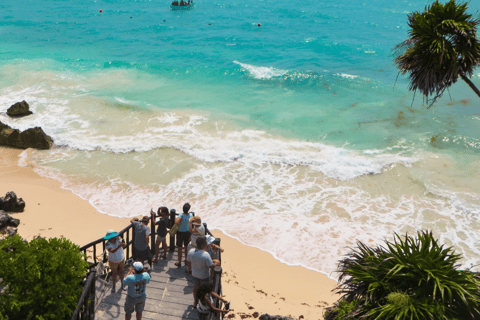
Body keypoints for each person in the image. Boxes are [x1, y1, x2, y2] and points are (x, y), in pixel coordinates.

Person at [188, 236, 219, 308]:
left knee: (195, 289)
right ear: (202, 245)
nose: (206, 244)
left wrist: (190, 269)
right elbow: (211, 266)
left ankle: (195, 302)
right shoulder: (206, 255)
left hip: (194, 274)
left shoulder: (191, 251)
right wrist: (216, 264)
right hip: (204, 276)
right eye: (205, 243)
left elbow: (188, 262)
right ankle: (204, 304)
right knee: (205, 291)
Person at [174, 203, 194, 268]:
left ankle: (179, 262)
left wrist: (177, 219)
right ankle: (186, 260)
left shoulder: (181, 214)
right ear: (188, 209)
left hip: (180, 233)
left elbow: (176, 222)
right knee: (186, 247)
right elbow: (191, 224)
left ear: (183, 209)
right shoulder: (191, 215)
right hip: (187, 233)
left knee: (179, 248)